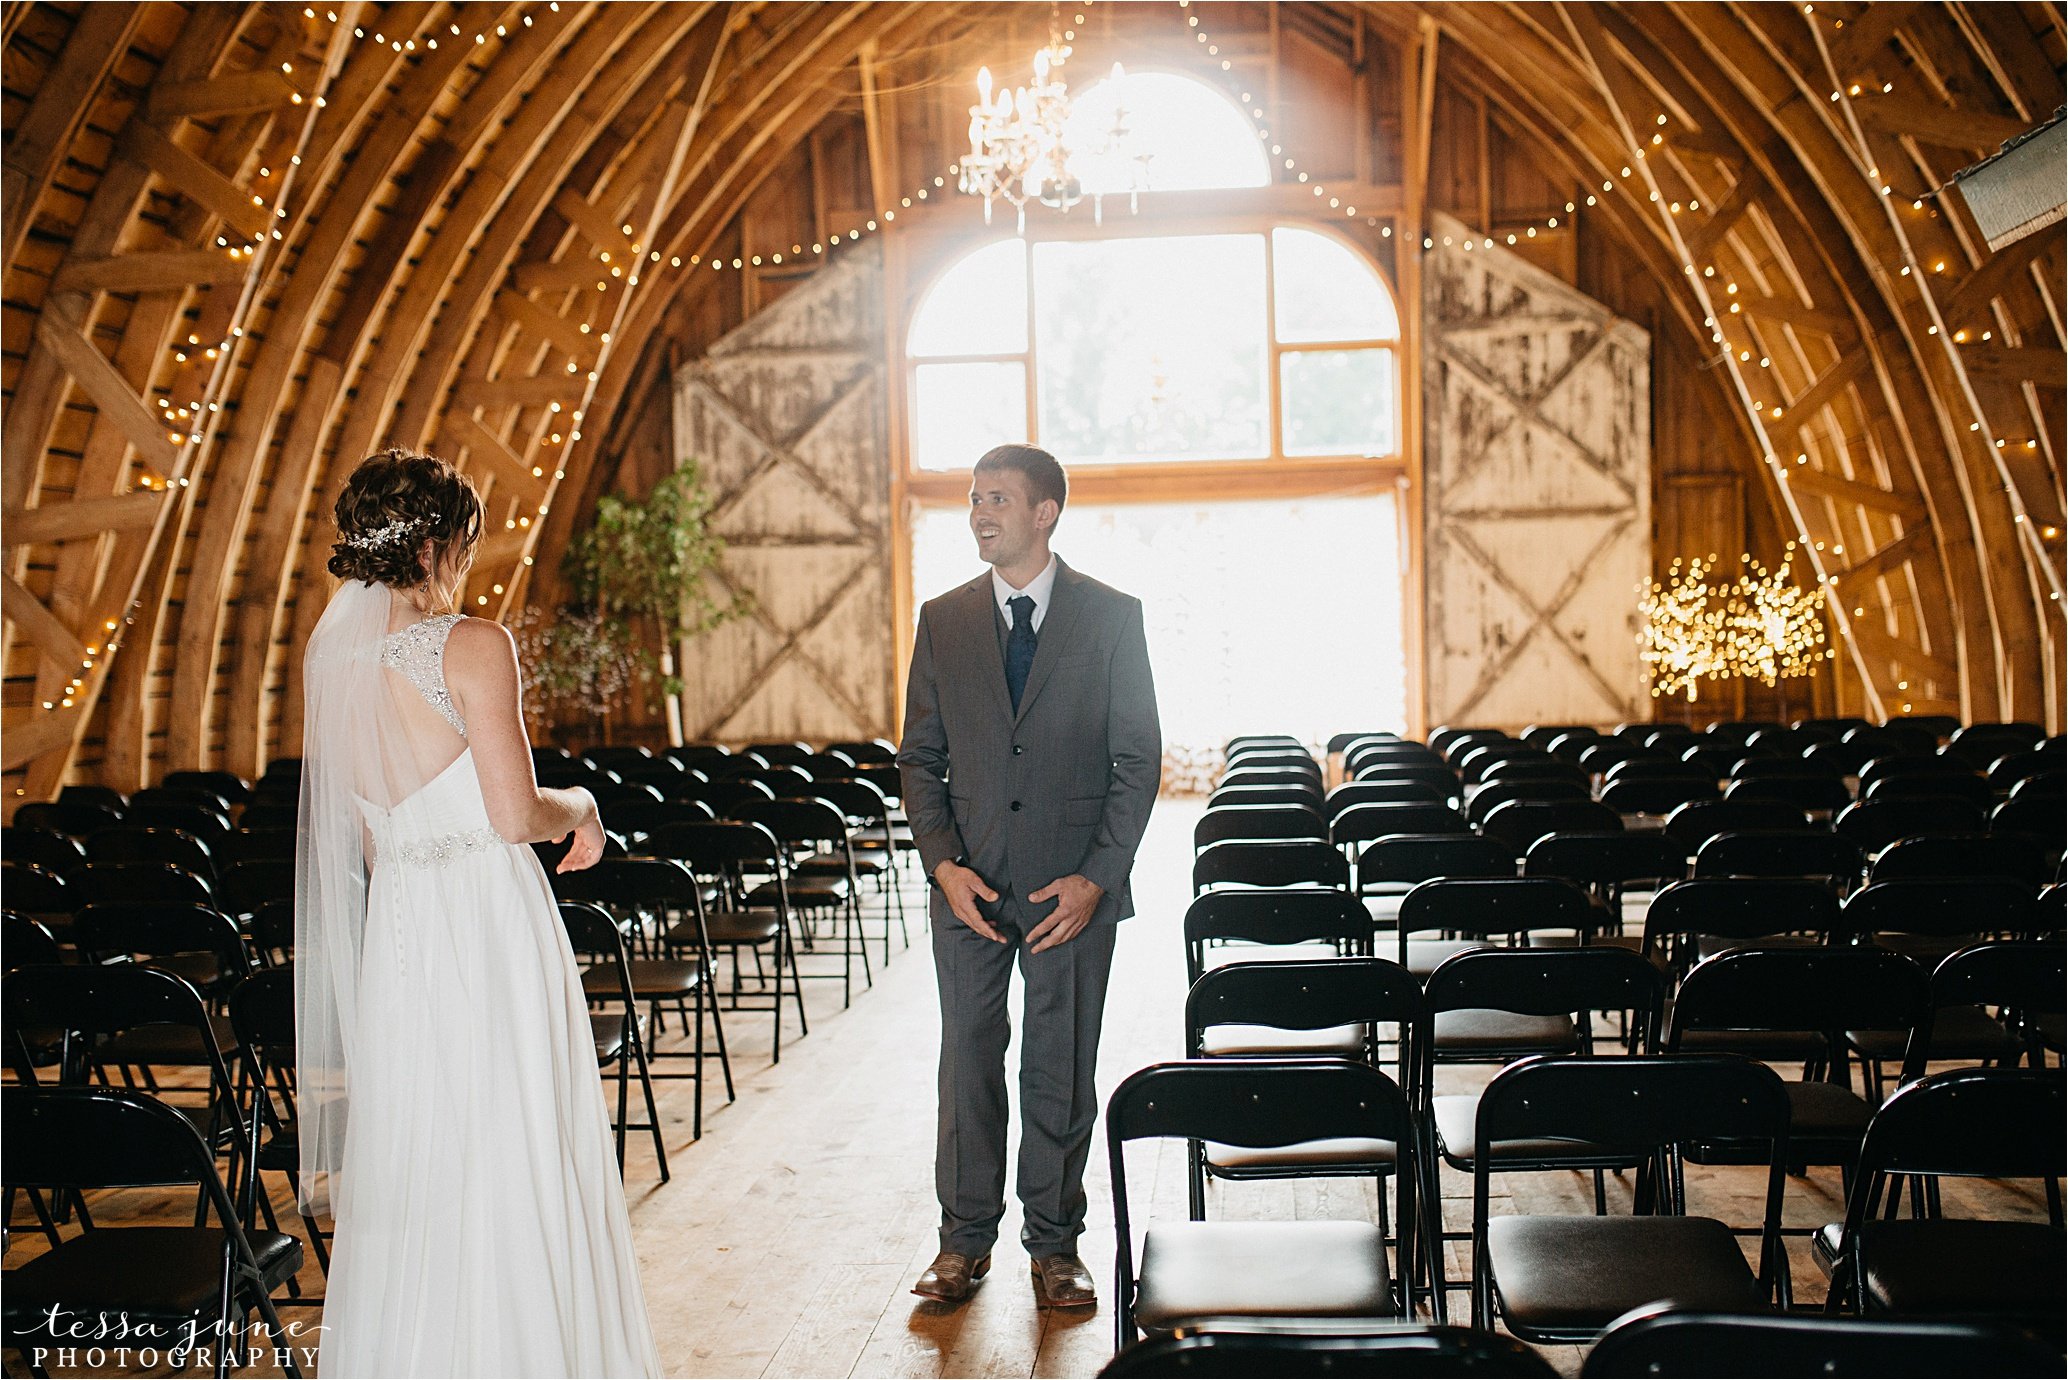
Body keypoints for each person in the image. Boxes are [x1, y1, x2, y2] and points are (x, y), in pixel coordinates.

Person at [296, 447, 661, 1377]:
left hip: (405, 934)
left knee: (425, 1146)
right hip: (489, 927)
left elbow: (376, 842)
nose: (465, 565)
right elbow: (514, 815)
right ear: (435, 544)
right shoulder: (469, 643)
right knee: (511, 1135)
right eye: (463, 543)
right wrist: (583, 807)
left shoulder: (331, 666)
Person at [897, 444, 1161, 1309]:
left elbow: (1137, 761)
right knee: (966, 1062)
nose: (979, 514)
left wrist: (1095, 878)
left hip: (1071, 893)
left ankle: (1055, 1247)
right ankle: (961, 1244)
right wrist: (943, 866)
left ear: (1045, 511)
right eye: (974, 499)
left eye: (998, 500)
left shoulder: (1114, 617)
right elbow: (919, 760)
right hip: (968, 889)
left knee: (1061, 1063)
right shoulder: (941, 620)